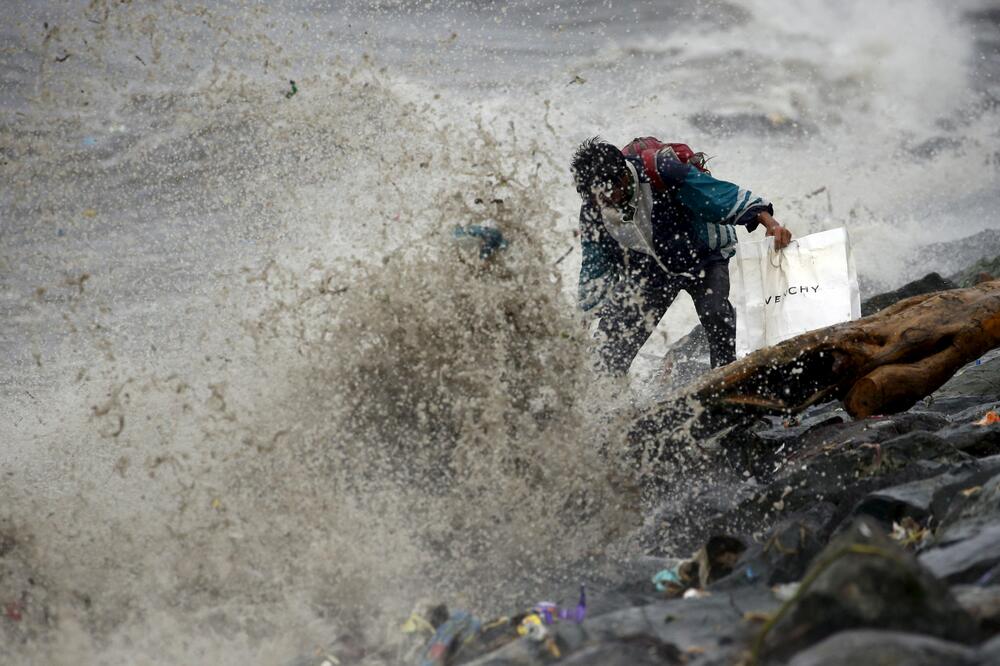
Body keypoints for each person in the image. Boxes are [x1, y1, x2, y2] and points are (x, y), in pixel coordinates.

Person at [571, 136, 792, 375]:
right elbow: (596, 268)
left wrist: (769, 223)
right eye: (594, 196)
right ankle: (611, 402)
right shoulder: (594, 211)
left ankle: (727, 377)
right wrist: (583, 317)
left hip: (703, 257)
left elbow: (719, 197)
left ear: (623, 175)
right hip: (650, 272)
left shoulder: (662, 171)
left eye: (606, 192)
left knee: (715, 313)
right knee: (611, 348)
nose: (602, 201)